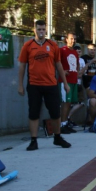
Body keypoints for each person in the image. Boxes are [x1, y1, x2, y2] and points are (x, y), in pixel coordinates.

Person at [17, 20, 71, 150]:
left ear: (46, 30)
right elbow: (22, 65)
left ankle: (57, 137)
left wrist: (65, 83)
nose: (41, 32)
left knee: (55, 112)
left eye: (43, 29)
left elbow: (58, 65)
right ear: (34, 30)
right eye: (39, 29)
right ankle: (33, 141)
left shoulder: (52, 45)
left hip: (51, 84)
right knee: (34, 113)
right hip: (34, 85)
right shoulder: (28, 45)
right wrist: (20, 84)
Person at [59, 33, 79, 134]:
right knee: (65, 103)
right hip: (65, 81)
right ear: (66, 39)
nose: (73, 40)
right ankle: (62, 125)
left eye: (74, 39)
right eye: (71, 39)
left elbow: (77, 66)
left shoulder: (75, 52)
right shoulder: (62, 50)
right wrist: (62, 71)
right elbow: (56, 63)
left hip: (73, 80)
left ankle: (65, 123)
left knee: (69, 103)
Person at [67, 44, 87, 127]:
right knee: (73, 103)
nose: (78, 53)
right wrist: (87, 65)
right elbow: (78, 74)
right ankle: (67, 118)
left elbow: (82, 74)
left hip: (79, 84)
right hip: (73, 83)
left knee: (79, 102)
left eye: (80, 52)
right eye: (77, 52)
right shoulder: (72, 60)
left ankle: (69, 119)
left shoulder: (81, 60)